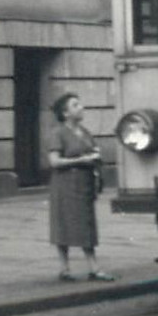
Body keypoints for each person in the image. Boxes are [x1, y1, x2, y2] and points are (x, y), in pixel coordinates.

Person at [47, 92, 113, 282]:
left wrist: (96, 157)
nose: (81, 107)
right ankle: (64, 268)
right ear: (65, 113)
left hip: (84, 184)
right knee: (63, 224)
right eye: (75, 105)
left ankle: (94, 267)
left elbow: (93, 150)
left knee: (87, 225)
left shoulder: (84, 132)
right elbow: (54, 161)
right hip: (65, 184)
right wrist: (82, 159)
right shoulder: (58, 132)